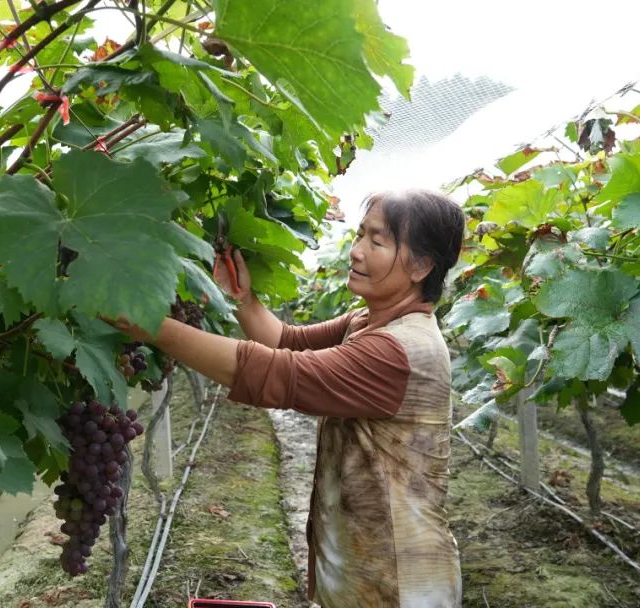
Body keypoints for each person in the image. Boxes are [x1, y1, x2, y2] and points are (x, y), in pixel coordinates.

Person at [111, 189, 466, 608]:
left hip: (401, 581)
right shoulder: (369, 322)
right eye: (359, 236)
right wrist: (242, 298)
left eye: (377, 242)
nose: (356, 252)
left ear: (422, 265)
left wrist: (155, 328)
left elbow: (279, 372)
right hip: (365, 563)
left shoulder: (400, 352)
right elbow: (288, 342)